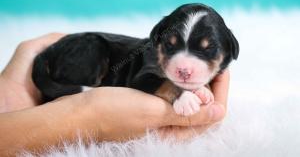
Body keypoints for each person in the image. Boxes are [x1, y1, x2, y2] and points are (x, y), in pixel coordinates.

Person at [0, 33, 229, 156]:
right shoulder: (154, 62)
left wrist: (12, 93)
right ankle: (64, 89)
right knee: (91, 53)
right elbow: (150, 81)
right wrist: (86, 114)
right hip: (87, 52)